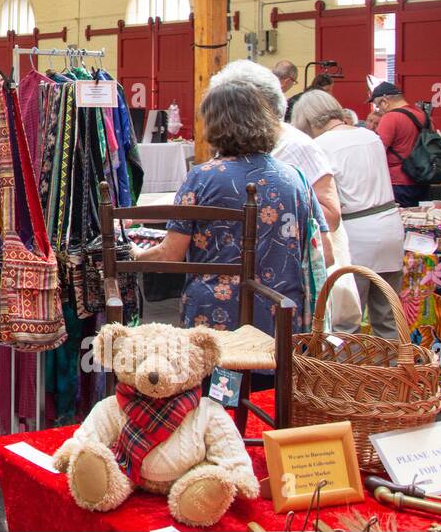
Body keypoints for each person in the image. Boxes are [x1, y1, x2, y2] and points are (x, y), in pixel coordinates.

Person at [135, 78, 328, 339]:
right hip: (280, 314)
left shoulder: (202, 178)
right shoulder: (296, 179)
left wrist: (134, 253)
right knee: (274, 381)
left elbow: (169, 255)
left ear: (214, 124)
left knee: (215, 379)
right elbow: (325, 251)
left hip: (215, 316)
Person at [293, 90, 403, 338]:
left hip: (355, 235)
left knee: (345, 322)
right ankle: (393, 375)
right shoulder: (370, 137)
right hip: (389, 228)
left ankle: (346, 376)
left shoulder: (318, 146)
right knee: (388, 320)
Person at [219, 60, 342, 232]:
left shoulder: (297, 145)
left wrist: (277, 199)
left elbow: (330, 219)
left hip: (289, 252)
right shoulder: (230, 144)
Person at [369, 81, 436, 207]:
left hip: (398, 182)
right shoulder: (423, 115)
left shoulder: (390, 118)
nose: (380, 109)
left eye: (378, 105)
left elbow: (378, 151)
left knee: (401, 222)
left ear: (385, 101)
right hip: (423, 178)